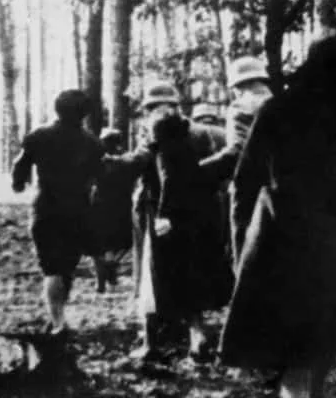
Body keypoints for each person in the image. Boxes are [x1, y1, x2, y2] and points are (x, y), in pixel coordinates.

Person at [219, 35, 336, 398]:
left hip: (281, 235)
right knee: (321, 328)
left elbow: (245, 178)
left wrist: (240, 239)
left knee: (287, 332)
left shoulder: (277, 110)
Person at [125, 81, 231, 364]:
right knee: (190, 277)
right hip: (197, 215)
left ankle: (150, 342)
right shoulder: (200, 133)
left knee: (151, 277)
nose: (156, 113)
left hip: (161, 214)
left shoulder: (158, 134)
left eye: (157, 108)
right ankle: (197, 337)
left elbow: (154, 171)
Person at [11, 89, 104, 333]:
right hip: (77, 209)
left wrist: (18, 183)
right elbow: (100, 177)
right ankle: (58, 317)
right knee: (66, 266)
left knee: (51, 266)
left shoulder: (39, 135)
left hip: (46, 207)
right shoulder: (92, 142)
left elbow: (20, 165)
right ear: (84, 114)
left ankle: (57, 321)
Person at [198, 55, 274, 259]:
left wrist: (197, 170)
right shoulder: (284, 104)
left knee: (247, 256)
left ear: (237, 86)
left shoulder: (240, 108)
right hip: (288, 192)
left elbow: (237, 153)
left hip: (253, 192)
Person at [89, 128, 138, 292]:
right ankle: (111, 269)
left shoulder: (96, 159)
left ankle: (101, 279)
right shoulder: (126, 159)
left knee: (100, 245)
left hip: (100, 204)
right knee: (119, 243)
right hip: (120, 204)